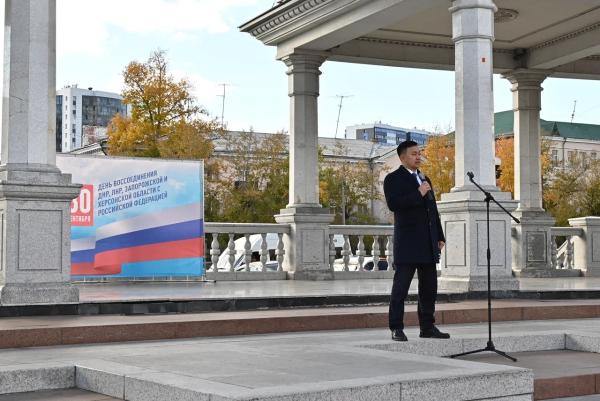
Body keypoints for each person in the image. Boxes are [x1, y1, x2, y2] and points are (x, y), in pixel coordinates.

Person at [383, 140, 449, 342]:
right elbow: (394, 205)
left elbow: (432, 209)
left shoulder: (424, 178)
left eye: (419, 153)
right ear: (402, 157)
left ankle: (427, 327)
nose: (418, 157)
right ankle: (396, 327)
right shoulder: (393, 179)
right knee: (400, 288)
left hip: (428, 242)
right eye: (414, 154)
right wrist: (417, 193)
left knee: (429, 288)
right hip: (408, 242)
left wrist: (439, 235)